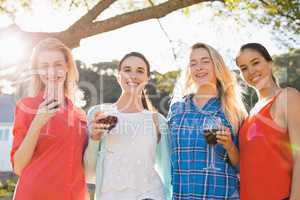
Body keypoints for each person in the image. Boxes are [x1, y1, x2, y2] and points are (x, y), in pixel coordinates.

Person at [84, 52, 172, 200]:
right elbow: (89, 174)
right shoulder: (99, 114)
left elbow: (167, 174)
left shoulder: (158, 121)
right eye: (127, 70)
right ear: (119, 76)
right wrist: (94, 139)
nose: (133, 75)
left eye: (140, 71)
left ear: (147, 79)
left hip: (150, 196)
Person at [10, 38, 89, 200]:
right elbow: (18, 166)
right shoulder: (27, 106)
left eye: (58, 65)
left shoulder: (80, 114)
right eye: (45, 66)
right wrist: (37, 123)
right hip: (35, 194)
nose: (51, 72)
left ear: (67, 67)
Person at [168, 42, 247, 199]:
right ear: (189, 71)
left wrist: (230, 146)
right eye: (193, 63)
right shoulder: (177, 109)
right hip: (183, 194)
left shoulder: (232, 110)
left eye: (205, 61)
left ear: (216, 66)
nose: (199, 67)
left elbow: (241, 164)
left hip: (222, 194)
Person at [236, 43, 300, 200]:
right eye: (244, 68)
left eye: (255, 62)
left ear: (270, 63)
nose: (251, 71)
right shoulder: (249, 114)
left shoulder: (287, 97)